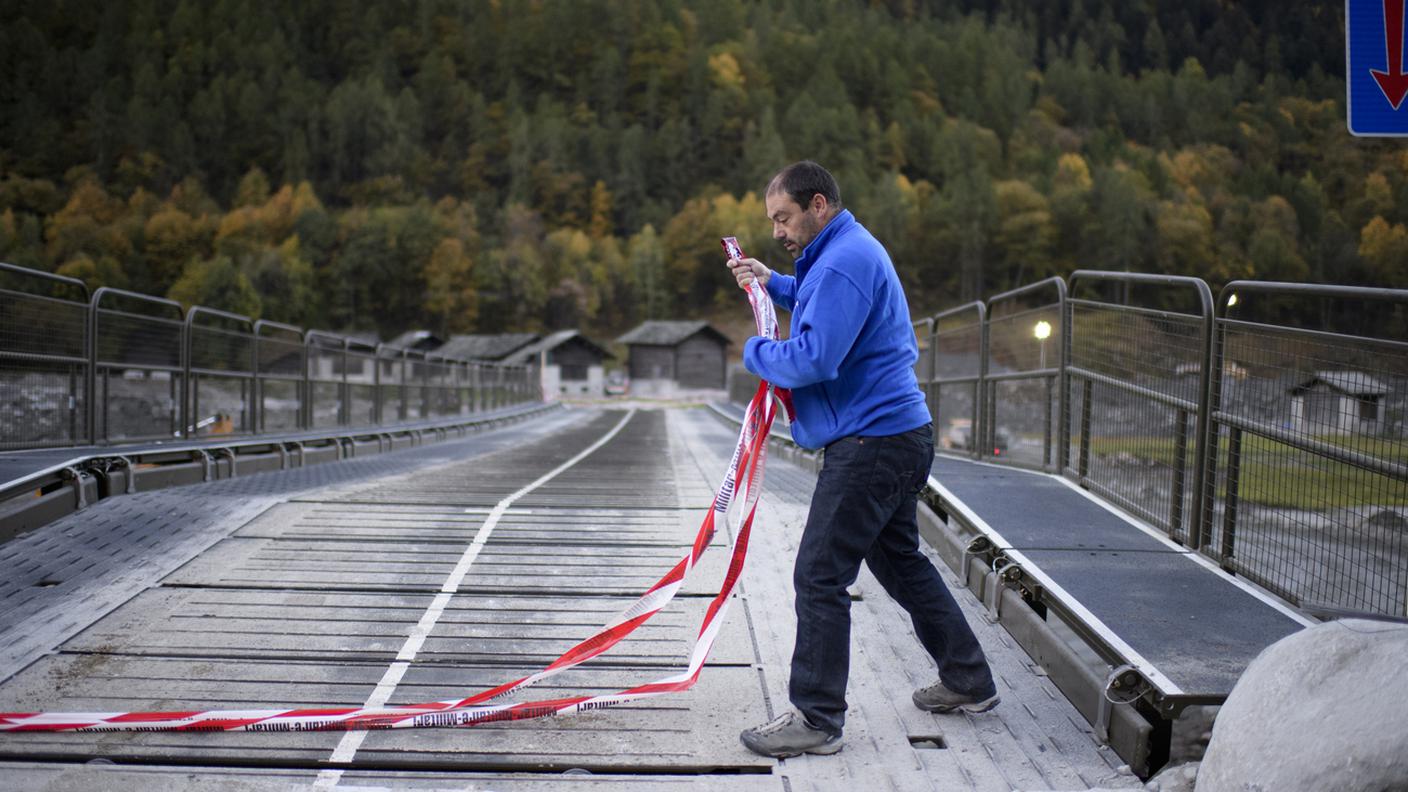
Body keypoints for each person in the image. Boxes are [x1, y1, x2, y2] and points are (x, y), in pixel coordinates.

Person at [725, 161, 998, 758]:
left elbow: (816, 357)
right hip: (895, 436)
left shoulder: (846, 261)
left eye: (784, 218)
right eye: (773, 221)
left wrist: (754, 352)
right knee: (900, 563)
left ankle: (818, 720)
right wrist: (772, 280)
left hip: (873, 444)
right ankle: (969, 680)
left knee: (819, 574)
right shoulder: (841, 253)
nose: (777, 231)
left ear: (817, 205)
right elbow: (817, 300)